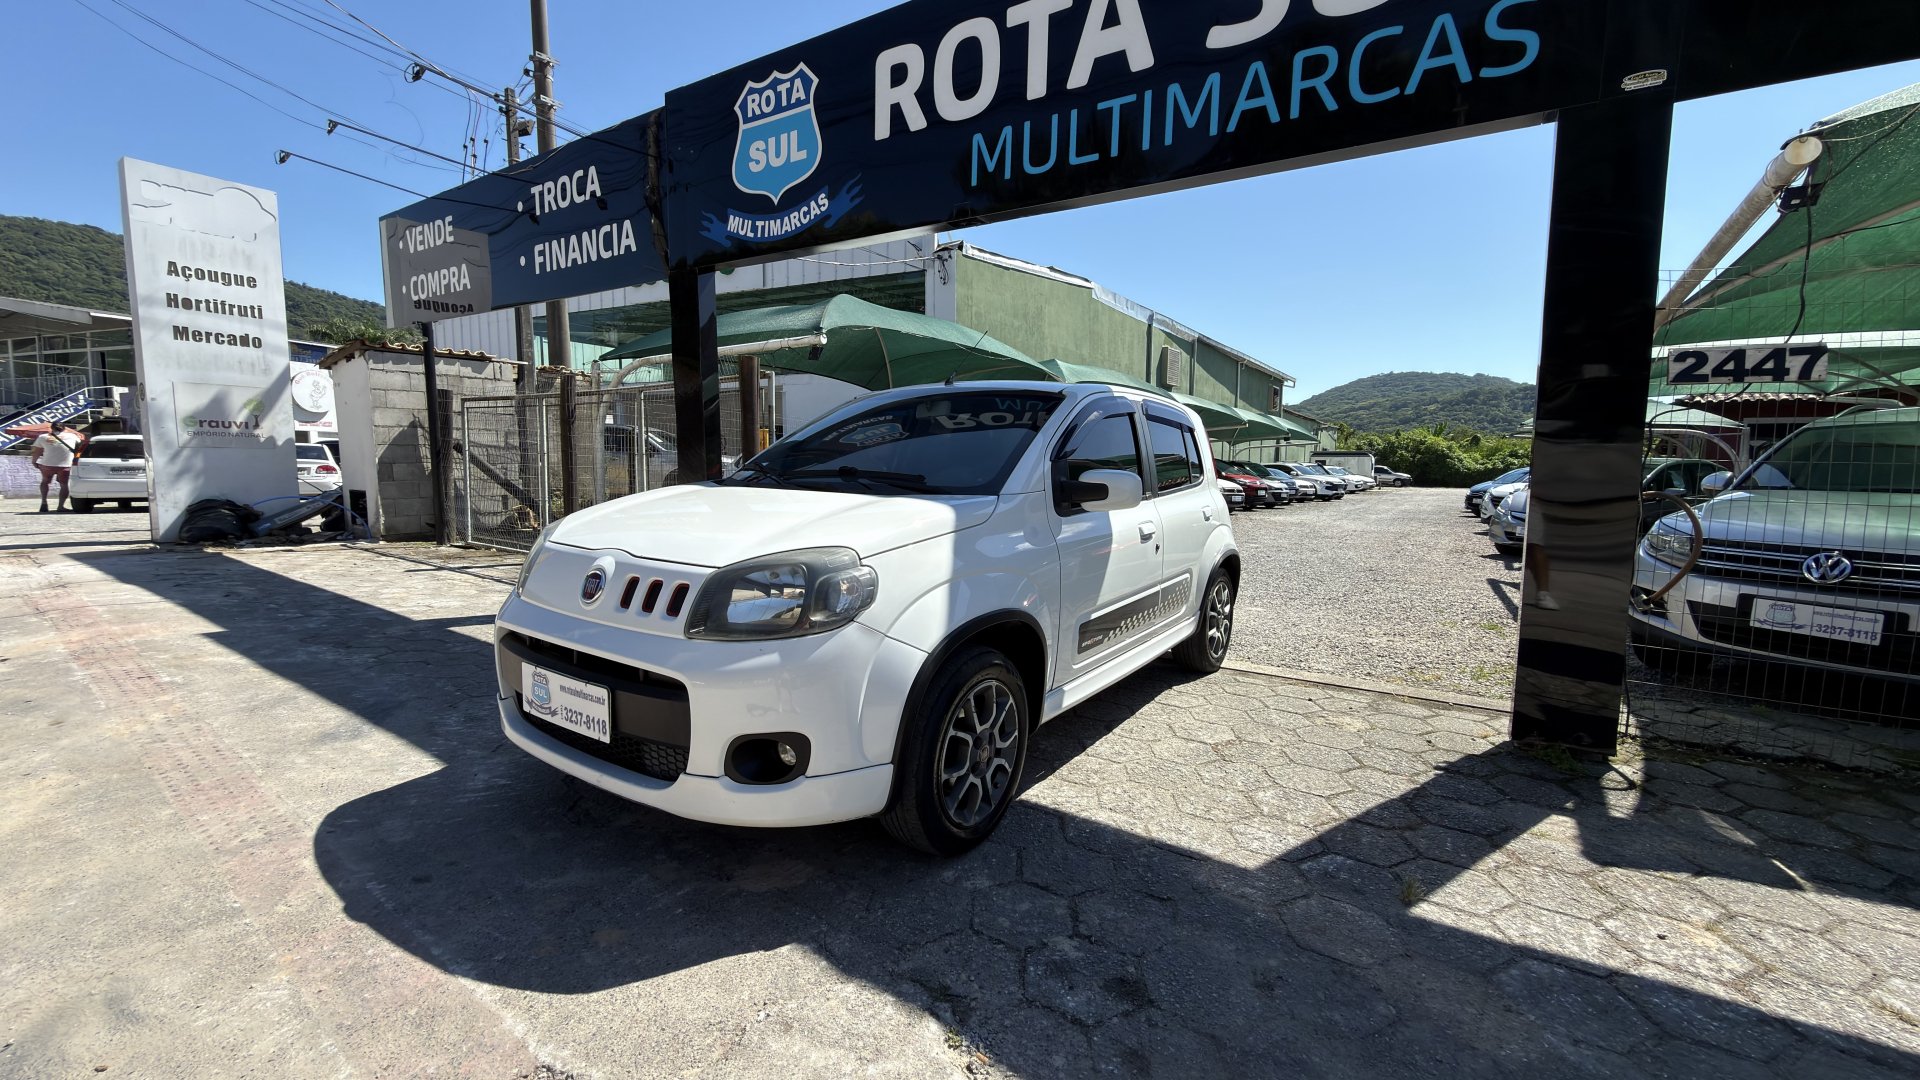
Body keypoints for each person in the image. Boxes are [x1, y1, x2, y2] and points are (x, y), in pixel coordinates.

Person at [30, 422, 83, 513]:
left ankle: (44, 502)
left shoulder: (43, 437)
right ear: (64, 428)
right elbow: (79, 447)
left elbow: (37, 451)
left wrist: (34, 461)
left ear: (51, 428)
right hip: (65, 465)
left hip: (47, 464)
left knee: (45, 482)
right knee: (64, 485)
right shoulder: (72, 436)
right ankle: (60, 506)